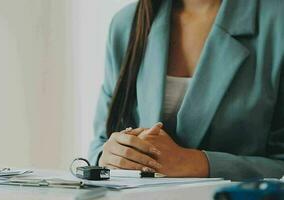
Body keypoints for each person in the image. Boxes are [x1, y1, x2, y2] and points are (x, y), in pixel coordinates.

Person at [88, 0, 284, 181]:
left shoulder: (277, 21)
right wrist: (113, 156)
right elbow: (100, 145)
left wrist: (201, 164)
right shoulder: (127, 23)